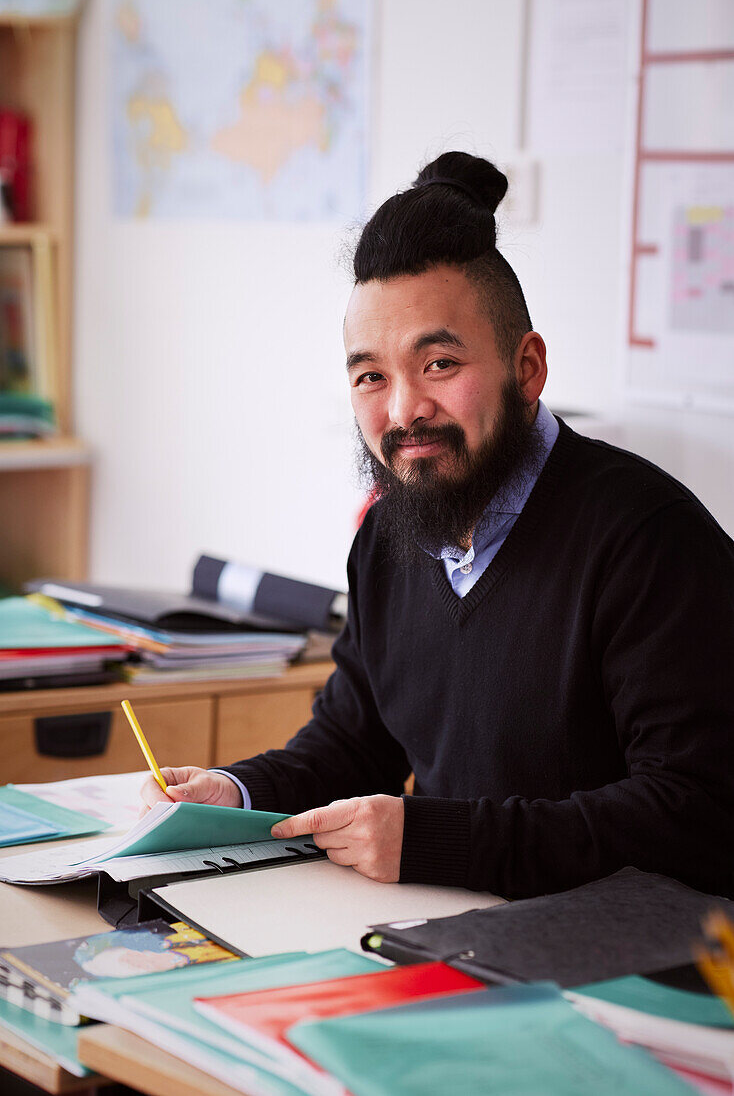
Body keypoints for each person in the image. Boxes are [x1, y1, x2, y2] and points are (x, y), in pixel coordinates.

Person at [141, 152, 734, 900]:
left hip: (631, 962)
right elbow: (357, 742)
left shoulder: (649, 539)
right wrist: (234, 792)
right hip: (455, 931)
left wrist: (435, 839)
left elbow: (699, 811)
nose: (402, 411)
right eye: (371, 377)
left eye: (440, 364)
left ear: (527, 368)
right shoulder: (389, 538)